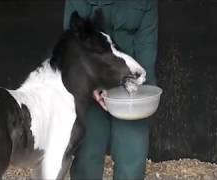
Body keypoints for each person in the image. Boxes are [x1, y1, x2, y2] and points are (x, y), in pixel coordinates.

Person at [63, 0, 158, 179]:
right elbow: (72, 44)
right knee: (86, 156)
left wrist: (139, 88)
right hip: (92, 84)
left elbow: (146, 49)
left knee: (132, 155)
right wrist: (92, 86)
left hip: (130, 87)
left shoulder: (146, 3)